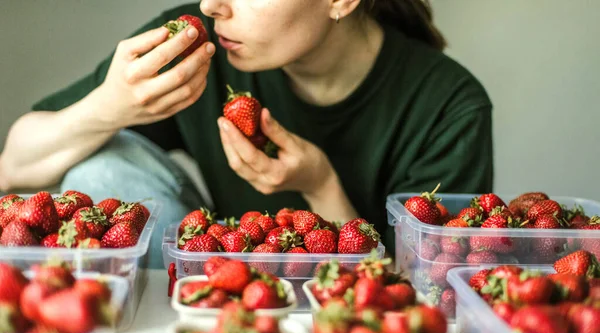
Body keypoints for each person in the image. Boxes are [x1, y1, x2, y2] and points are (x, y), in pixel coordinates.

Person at [0, 0, 493, 268]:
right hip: (208, 284)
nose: (214, 6)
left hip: (341, 318)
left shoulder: (450, 108)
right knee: (101, 163)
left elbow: (421, 292)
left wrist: (320, 183)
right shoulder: (196, 41)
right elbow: (13, 165)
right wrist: (110, 105)